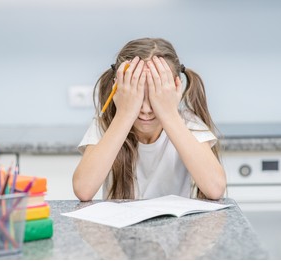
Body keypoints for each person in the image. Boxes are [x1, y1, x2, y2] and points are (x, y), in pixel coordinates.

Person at [73, 37, 226, 201]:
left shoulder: (188, 124)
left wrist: (168, 114)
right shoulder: (106, 124)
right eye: (137, 95)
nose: (146, 109)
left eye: (156, 95)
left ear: (175, 88)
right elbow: (84, 189)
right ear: (119, 88)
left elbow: (215, 188)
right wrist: (125, 114)